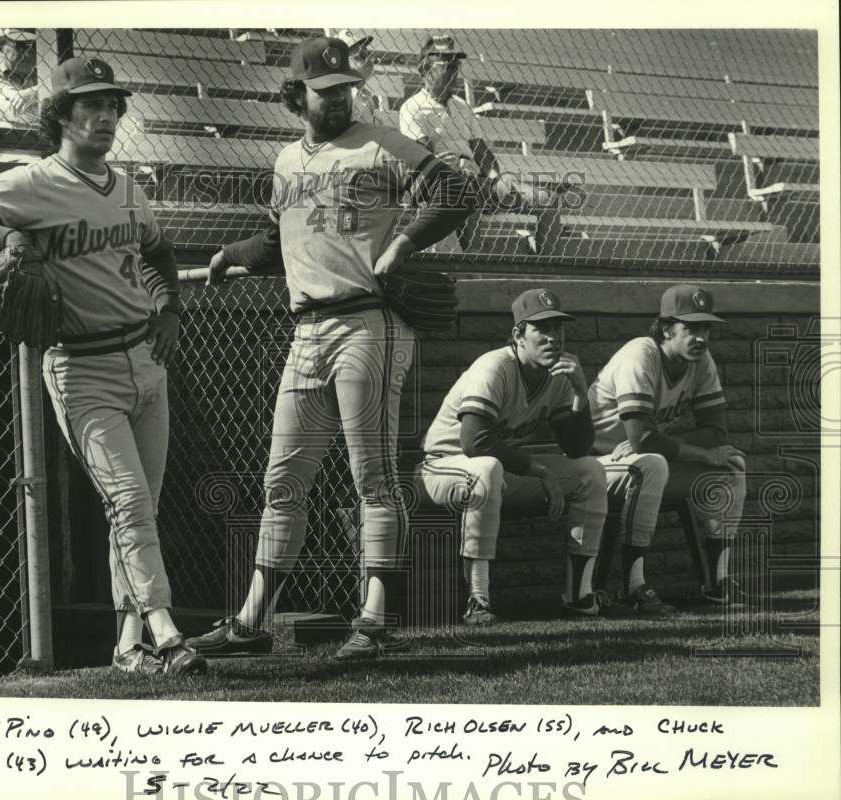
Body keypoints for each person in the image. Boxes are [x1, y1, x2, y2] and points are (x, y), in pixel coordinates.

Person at [187, 35, 473, 661]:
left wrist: (403, 244)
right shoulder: (287, 160)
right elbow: (277, 240)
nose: (339, 99)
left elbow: (455, 192)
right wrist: (229, 256)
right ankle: (252, 623)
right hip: (306, 333)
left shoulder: (381, 143)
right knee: (283, 480)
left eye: (345, 89)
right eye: (326, 92)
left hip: (368, 325)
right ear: (298, 94)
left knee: (371, 478)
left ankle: (373, 621)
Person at [0, 56, 206, 677]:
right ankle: (166, 631)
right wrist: (8, 238)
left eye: (112, 106)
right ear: (61, 115)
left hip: (145, 360)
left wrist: (169, 307)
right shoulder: (30, 182)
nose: (106, 116)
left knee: (137, 510)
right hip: (82, 368)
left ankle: (128, 646)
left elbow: (158, 251)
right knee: (129, 501)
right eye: (91, 106)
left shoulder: (127, 185)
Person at [417, 289, 609, 622]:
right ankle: (478, 599)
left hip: (498, 470)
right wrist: (538, 470)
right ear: (518, 334)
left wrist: (580, 394)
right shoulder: (494, 367)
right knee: (486, 468)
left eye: (558, 329)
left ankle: (579, 596)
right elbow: (475, 442)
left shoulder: (560, 375)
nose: (553, 338)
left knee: (590, 471)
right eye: (542, 329)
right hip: (442, 467)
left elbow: (577, 448)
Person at [589, 285, 748, 607]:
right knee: (652, 463)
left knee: (731, 466)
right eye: (690, 328)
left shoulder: (701, 361)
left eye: (706, 328)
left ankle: (718, 584)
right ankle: (634, 586)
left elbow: (716, 432)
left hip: (640, 458)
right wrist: (673, 447)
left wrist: (659, 443)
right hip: (596, 461)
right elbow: (642, 438)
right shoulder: (640, 354)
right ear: (666, 328)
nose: (701, 337)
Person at [399, 34, 570, 254]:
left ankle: (546, 267)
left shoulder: (461, 106)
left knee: (547, 200)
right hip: (438, 183)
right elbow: (422, 156)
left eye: (456, 65)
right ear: (425, 69)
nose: (454, 71)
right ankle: (471, 270)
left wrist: (497, 179)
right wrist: (456, 166)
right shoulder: (412, 107)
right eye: (447, 65)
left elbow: (481, 150)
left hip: (476, 181)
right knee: (467, 193)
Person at [334, 29, 383, 124]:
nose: (368, 60)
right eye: (361, 56)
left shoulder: (364, 95)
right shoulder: (342, 101)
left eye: (366, 53)